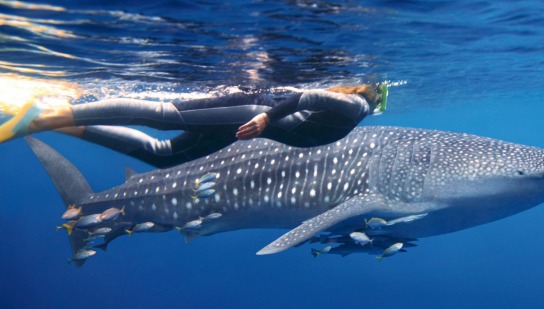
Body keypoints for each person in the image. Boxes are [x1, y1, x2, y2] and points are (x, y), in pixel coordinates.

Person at [0, 84, 388, 168]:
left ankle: (56, 124)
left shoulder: (359, 108)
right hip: (252, 113)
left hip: (252, 124)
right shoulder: (354, 104)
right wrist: (267, 117)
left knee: (166, 156)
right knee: (164, 115)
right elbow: (308, 98)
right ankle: (54, 112)